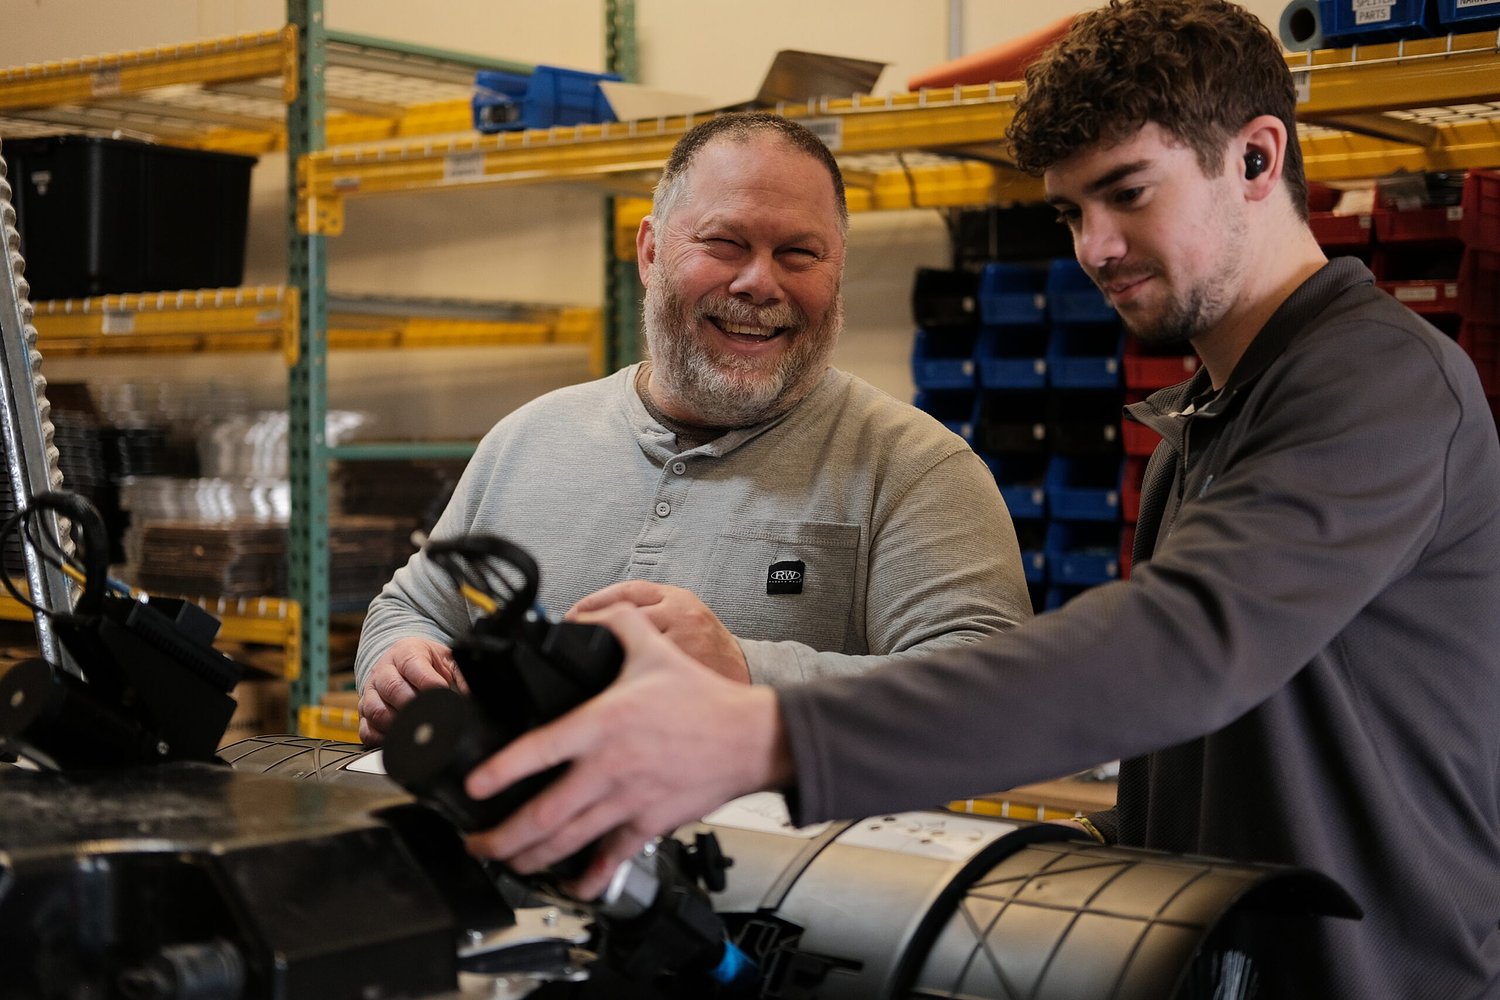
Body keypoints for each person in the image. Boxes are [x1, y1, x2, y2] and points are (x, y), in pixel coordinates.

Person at [460, 3, 1500, 997]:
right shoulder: (1214, 417)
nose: (1093, 247)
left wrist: (754, 733)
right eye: (1072, 210)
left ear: (1258, 158)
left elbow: (1183, 647)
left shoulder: (1380, 385)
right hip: (1231, 962)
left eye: (1128, 193)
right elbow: (1195, 730)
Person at [355, 112, 1033, 746]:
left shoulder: (915, 469)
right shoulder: (527, 441)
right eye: (724, 243)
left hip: (783, 872)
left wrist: (747, 670)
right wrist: (399, 661)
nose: (759, 283)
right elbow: (412, 606)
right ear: (651, 253)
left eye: (800, 253)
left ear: (837, 273)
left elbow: (998, 705)